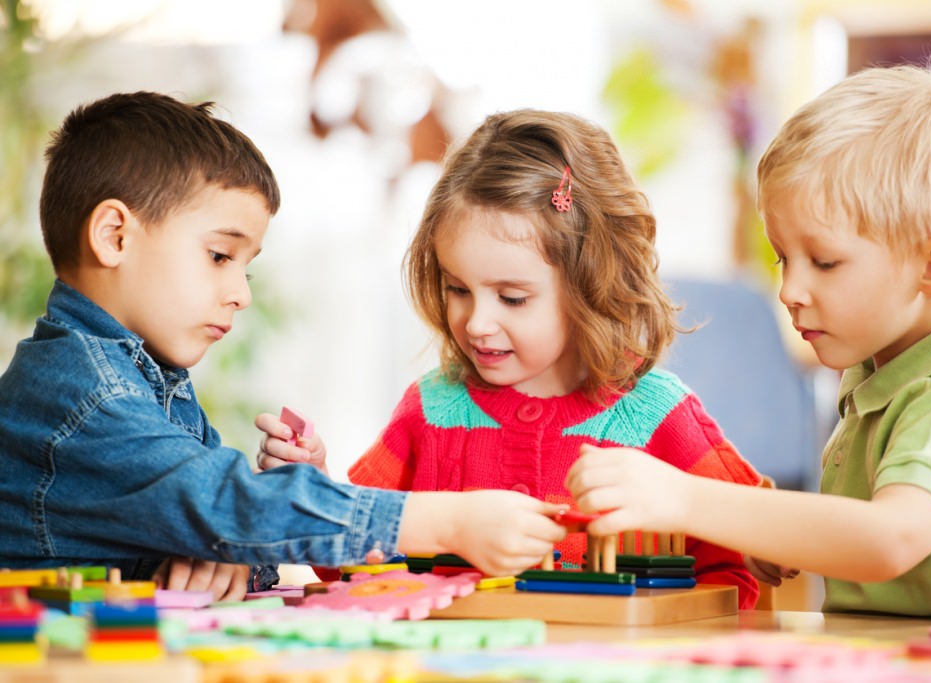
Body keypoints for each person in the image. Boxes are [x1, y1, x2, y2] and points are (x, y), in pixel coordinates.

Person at [0, 91, 567, 602]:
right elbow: (228, 505)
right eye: (221, 256)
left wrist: (223, 552)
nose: (241, 295)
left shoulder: (150, 381)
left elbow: (229, 530)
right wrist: (445, 521)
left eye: (246, 267)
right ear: (114, 236)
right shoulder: (82, 397)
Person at [565, 59, 931, 619]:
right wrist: (778, 536)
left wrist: (685, 498)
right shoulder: (877, 386)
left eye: (824, 262)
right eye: (784, 259)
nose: (790, 290)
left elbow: (890, 539)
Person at [258, 109, 765, 608]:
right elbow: (355, 559)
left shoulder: (659, 415)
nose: (476, 323)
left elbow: (736, 571)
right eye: (458, 288)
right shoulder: (431, 408)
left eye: (513, 298)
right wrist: (315, 484)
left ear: (591, 282)